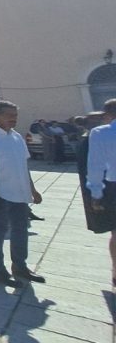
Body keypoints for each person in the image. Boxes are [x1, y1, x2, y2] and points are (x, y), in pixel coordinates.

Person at [0, 100, 44, 287]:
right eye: (9, 115)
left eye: (15, 116)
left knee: (20, 231)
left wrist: (32, 189)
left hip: (19, 193)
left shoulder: (17, 137)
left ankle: (20, 266)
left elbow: (23, 165)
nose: (13, 119)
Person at [86, 99, 116, 286]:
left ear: (107, 115)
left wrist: (95, 193)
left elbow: (95, 165)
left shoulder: (100, 132)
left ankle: (115, 271)